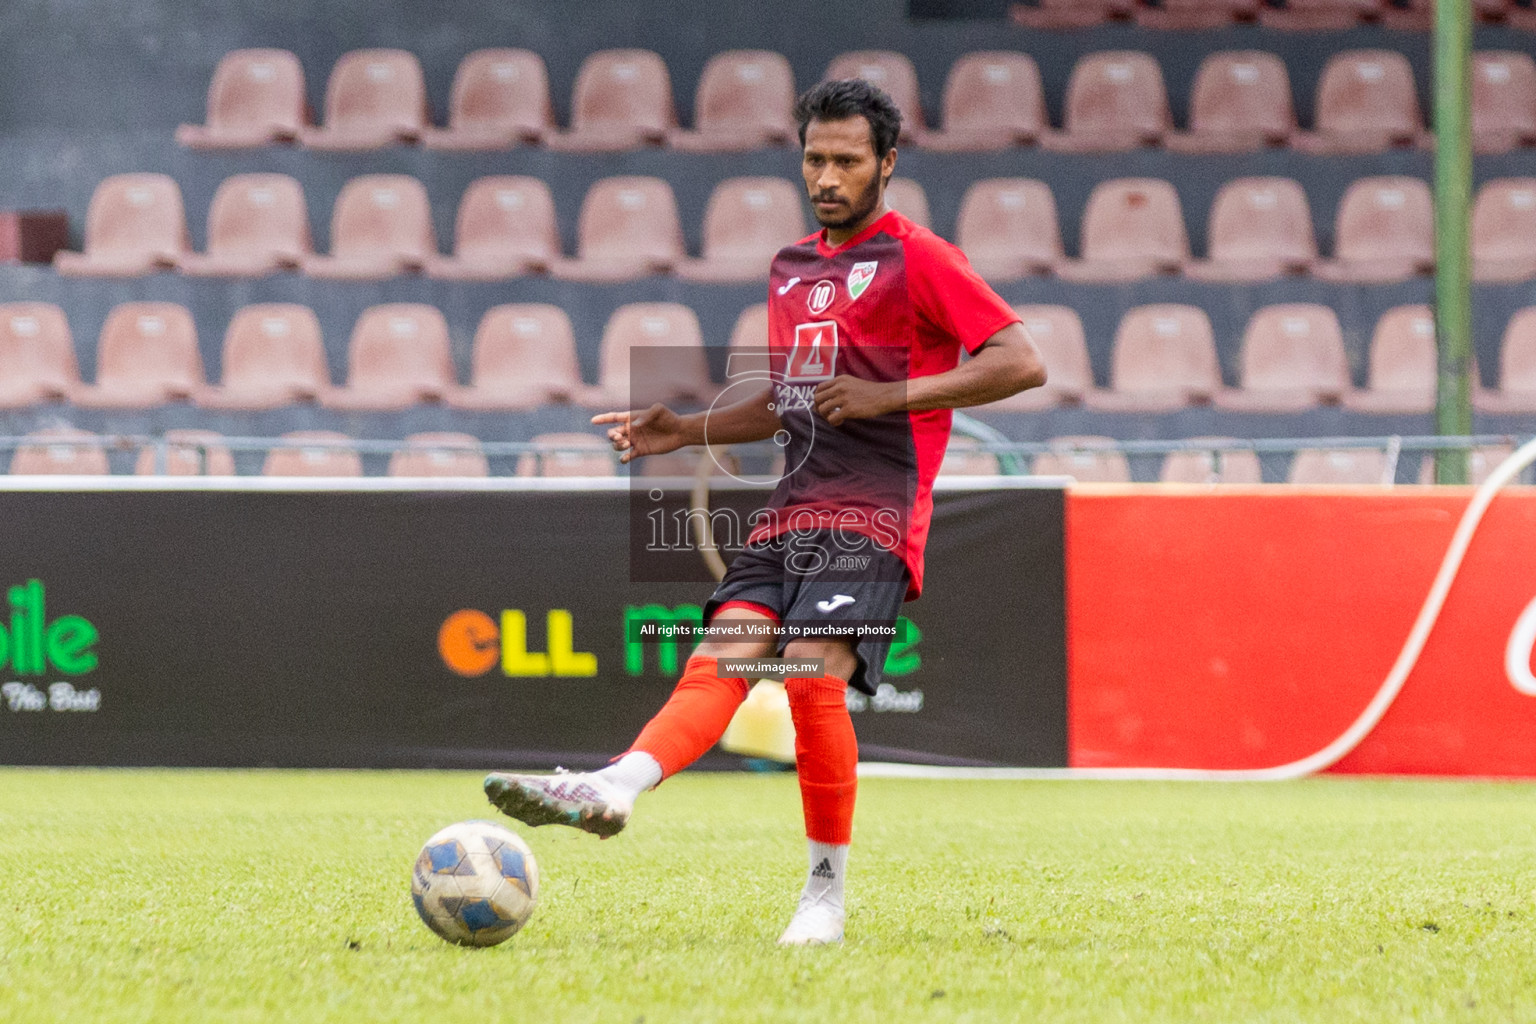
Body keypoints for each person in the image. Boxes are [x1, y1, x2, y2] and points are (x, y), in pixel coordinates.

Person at [484, 78, 1046, 946]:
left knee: (809, 678)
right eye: (815, 159)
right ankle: (616, 785)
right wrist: (685, 430)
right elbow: (793, 401)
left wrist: (891, 395)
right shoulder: (791, 267)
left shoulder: (921, 258)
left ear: (886, 164)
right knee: (723, 661)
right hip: (791, 509)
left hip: (874, 511)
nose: (827, 176)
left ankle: (824, 895)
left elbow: (1020, 362)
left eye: (847, 161)